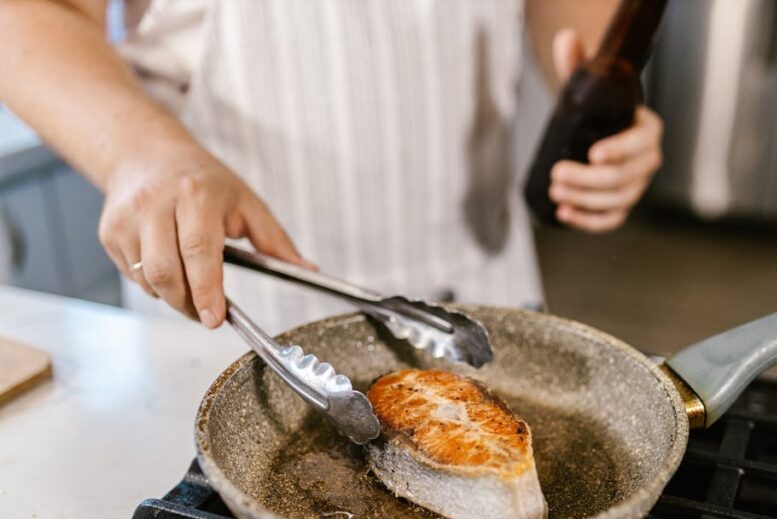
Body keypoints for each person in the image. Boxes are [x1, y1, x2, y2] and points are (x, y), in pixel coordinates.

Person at [0, 1, 663, 332]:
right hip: (238, 315)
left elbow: (573, 17)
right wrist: (140, 153)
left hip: (478, 294)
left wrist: (600, 107)